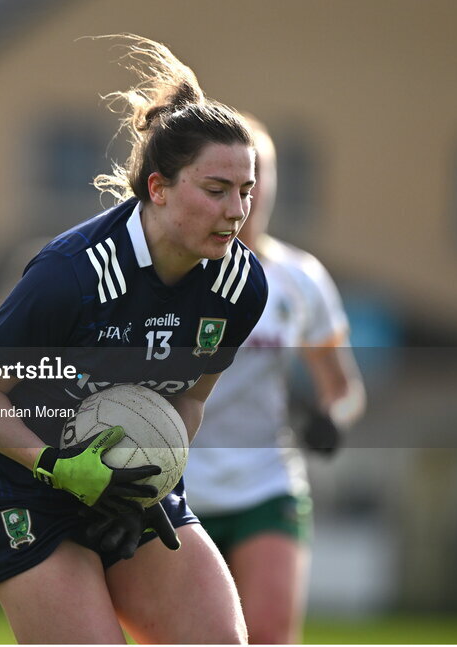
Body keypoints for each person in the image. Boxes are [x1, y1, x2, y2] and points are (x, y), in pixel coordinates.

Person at [0, 35, 268, 644]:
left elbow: (190, 400)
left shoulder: (239, 287)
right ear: (158, 188)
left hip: (124, 488)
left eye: (245, 191)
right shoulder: (72, 273)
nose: (237, 210)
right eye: (216, 189)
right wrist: (58, 466)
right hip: (20, 485)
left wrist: (150, 488)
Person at [183, 115, 366, 644]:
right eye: (231, 184)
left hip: (267, 483)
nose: (249, 196)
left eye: (258, 179)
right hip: (178, 484)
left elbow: (344, 388)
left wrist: (334, 419)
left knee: (268, 635)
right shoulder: (175, 273)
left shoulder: (300, 277)